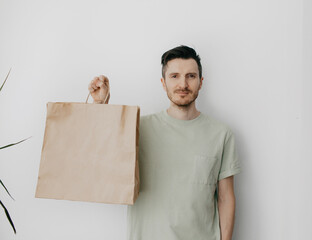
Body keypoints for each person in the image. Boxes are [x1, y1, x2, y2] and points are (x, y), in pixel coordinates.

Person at [88, 45, 241, 240]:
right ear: (163, 83)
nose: (183, 84)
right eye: (174, 76)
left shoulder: (221, 134)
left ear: (201, 82)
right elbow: (102, 156)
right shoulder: (138, 129)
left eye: (191, 76)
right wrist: (100, 106)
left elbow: (226, 198)